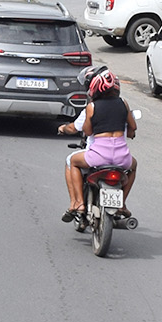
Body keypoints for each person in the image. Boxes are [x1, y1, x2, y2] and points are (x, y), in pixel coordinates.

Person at [59, 68, 137, 221]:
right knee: (134, 166)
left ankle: (78, 203)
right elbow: (132, 127)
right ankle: (122, 204)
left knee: (72, 162)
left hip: (98, 156)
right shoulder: (123, 103)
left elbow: (87, 131)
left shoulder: (92, 107)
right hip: (122, 157)